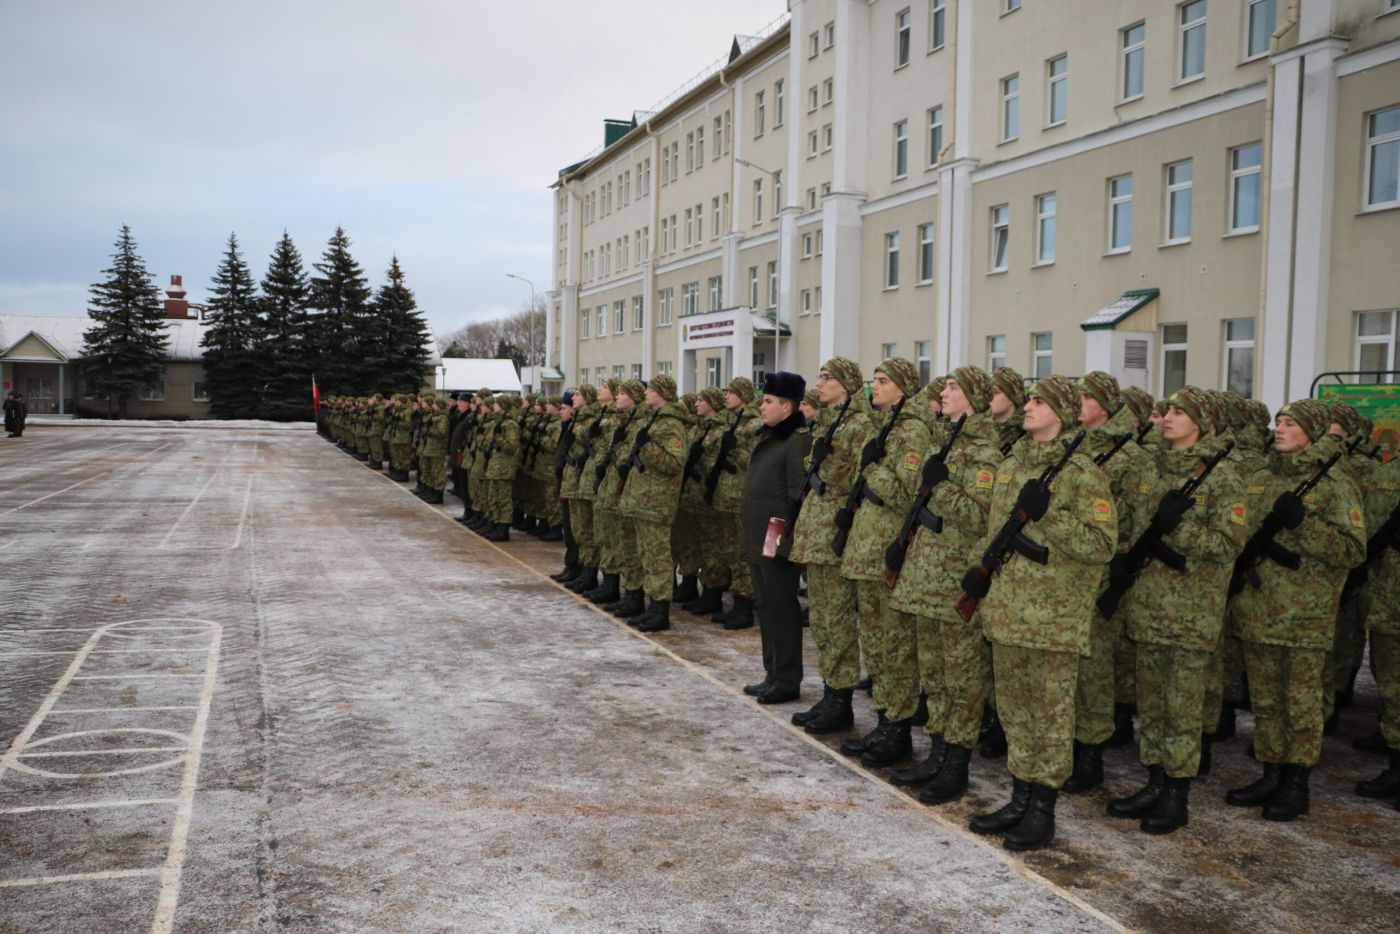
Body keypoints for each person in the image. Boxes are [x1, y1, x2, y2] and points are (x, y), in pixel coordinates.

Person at [961, 375, 1116, 851]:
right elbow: (996, 532)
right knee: (1015, 712)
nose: (1027, 407)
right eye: (1027, 399)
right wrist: (979, 573)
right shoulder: (1011, 465)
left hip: (1052, 619)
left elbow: (1102, 544)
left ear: (1062, 412)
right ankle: (1019, 796)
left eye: (1037, 401)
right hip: (1008, 612)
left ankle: (1042, 810)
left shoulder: (1083, 472)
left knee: (1049, 716)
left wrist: (1052, 516)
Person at [1104, 387, 1244, 835]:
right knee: (1153, 706)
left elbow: (1227, 546)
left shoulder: (1223, 477)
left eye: (1178, 412)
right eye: (1165, 411)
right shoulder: (1150, 467)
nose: (1166, 417)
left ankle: (1176, 795)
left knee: (1182, 709)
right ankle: (1155, 781)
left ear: (1201, 422)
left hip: (1190, 614)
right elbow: (1131, 526)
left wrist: (1178, 528)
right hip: (1147, 609)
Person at [1228, 399, 1365, 821]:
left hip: (1305, 615)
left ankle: (1296, 783)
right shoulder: (1263, 477)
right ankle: (1271, 772)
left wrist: (1304, 523)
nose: (1280, 429)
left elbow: (1352, 549)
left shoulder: (1336, 482)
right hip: (1259, 608)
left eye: (1290, 423)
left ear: (1313, 431)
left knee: (1301, 701)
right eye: (1279, 422)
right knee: (1266, 700)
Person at [887, 366, 1004, 803]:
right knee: (934, 675)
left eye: (954, 387)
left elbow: (982, 517)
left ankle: (956, 763)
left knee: (962, 679)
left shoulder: (984, 453)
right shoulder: (945, 443)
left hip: (952, 581)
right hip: (923, 578)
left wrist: (944, 490)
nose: (945, 392)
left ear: (972, 399)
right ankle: (936, 753)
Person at [838, 357, 932, 767]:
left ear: (904, 387)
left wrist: (874, 467)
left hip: (886, 549)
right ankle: (884, 720)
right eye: (873, 380)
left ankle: (899, 728)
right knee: (875, 644)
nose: (873, 387)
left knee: (894, 646)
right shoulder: (886, 425)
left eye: (882, 381)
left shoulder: (912, 432)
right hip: (866, 547)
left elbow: (907, 492)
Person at [788, 357, 876, 733]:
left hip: (836, 535)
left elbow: (856, 480)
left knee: (838, 621)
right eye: (819, 376)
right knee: (823, 621)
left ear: (846, 384)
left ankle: (841, 701)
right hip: (817, 531)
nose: (819, 383)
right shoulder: (830, 421)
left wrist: (827, 466)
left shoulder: (859, 426)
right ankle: (830, 693)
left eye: (827, 378)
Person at [739, 372, 813, 701]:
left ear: (788, 406)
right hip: (759, 535)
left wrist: (786, 542)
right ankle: (772, 672)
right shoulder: (770, 436)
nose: (762, 406)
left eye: (769, 401)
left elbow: (797, 497)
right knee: (766, 607)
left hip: (776, 537)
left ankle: (786, 679)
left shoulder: (797, 440)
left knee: (782, 609)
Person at [617, 375, 689, 632]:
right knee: (646, 555)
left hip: (656, 503)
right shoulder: (653, 419)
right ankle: (650, 606)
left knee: (658, 558)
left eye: (651, 389)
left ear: (663, 392)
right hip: (643, 500)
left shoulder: (672, 425)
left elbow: (674, 463)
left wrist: (647, 448)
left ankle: (661, 611)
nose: (646, 392)